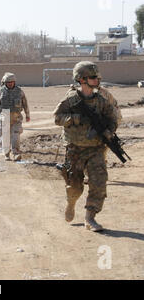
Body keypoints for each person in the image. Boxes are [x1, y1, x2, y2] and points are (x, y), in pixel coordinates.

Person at [53, 61, 118, 232]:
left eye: (98, 77)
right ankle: (71, 203)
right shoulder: (70, 99)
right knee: (75, 187)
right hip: (75, 150)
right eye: (93, 77)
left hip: (96, 149)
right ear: (82, 80)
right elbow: (57, 118)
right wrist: (75, 119)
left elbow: (113, 119)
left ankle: (90, 218)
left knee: (99, 182)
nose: (97, 80)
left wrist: (109, 132)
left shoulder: (101, 101)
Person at [0, 72, 30, 161]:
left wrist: (27, 114)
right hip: (4, 116)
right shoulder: (1, 91)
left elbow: (25, 103)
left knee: (16, 134)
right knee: (5, 135)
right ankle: (6, 154)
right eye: (8, 82)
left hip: (16, 116)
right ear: (5, 83)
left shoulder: (19, 91)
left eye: (12, 82)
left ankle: (16, 153)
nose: (10, 84)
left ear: (14, 82)